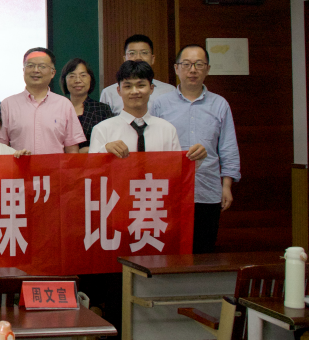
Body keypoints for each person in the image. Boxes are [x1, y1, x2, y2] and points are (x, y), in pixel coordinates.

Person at [152, 44, 240, 254]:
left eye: (199, 64)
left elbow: (228, 147)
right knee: (170, 252)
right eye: (187, 64)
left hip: (207, 189)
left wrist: (226, 185)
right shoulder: (160, 104)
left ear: (207, 69)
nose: (193, 70)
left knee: (203, 251)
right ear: (176, 68)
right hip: (169, 191)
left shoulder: (220, 104)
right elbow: (152, 147)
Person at [0, 47, 86, 154]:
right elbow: (1, 147)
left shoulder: (64, 105)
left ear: (53, 73)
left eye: (42, 66)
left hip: (54, 165)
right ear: (23, 70)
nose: (36, 70)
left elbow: (72, 149)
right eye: (30, 65)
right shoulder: (7, 105)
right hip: (18, 165)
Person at [89, 61, 186, 156]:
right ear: (119, 90)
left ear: (151, 89)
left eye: (141, 85)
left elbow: (176, 165)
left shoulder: (167, 130)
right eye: (128, 86)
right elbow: (93, 166)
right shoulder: (102, 130)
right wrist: (105, 150)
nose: (134, 91)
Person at [99, 34, 176, 114]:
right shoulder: (109, 93)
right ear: (125, 59)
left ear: (152, 59)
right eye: (132, 53)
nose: (138, 57)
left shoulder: (169, 91)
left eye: (144, 53)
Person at [60, 57, 114, 153]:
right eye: (72, 76)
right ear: (64, 80)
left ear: (90, 79)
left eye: (83, 75)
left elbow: (111, 140)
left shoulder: (102, 109)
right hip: (61, 161)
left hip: (95, 160)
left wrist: (89, 150)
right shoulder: (58, 109)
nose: (78, 80)